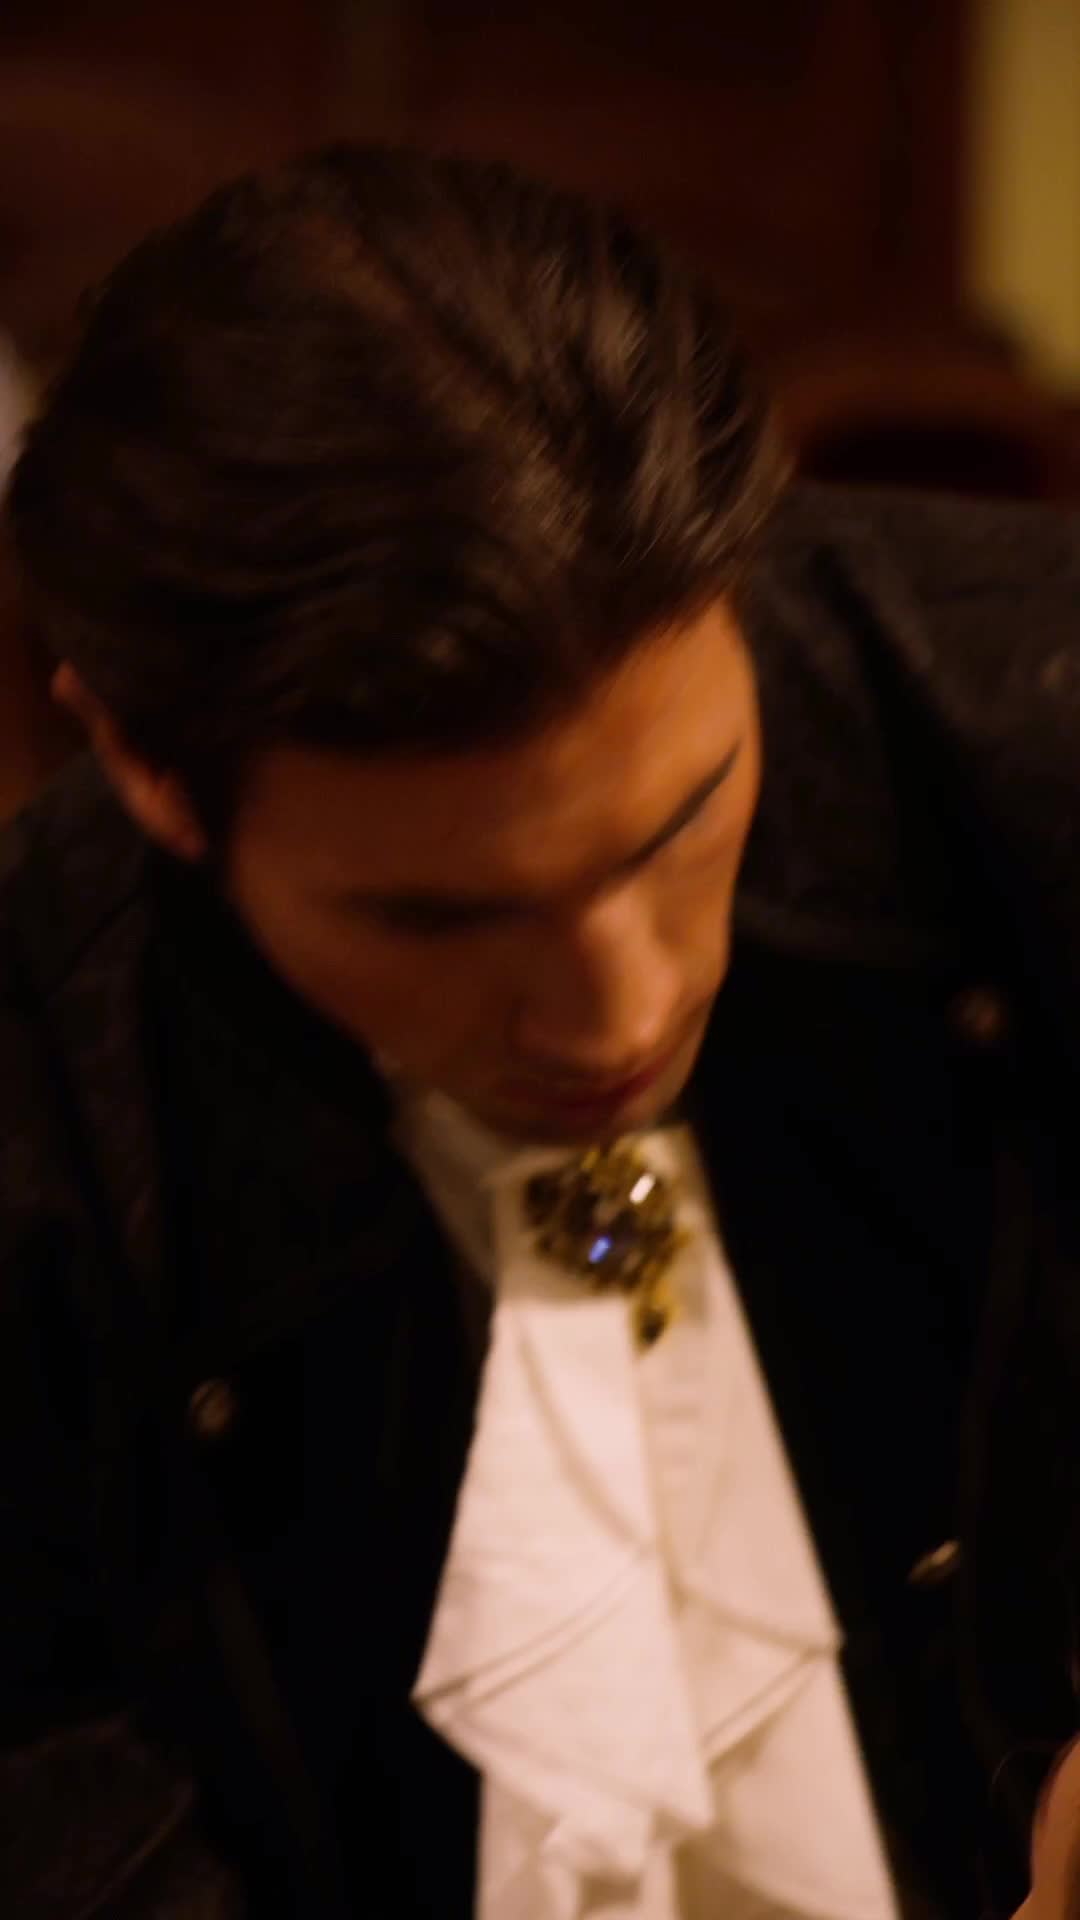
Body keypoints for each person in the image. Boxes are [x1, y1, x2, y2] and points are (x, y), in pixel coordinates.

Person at [3, 143, 1080, 1920]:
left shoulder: (1031, 725)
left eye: (682, 821)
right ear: (142, 764)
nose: (626, 1008)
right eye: (441, 915)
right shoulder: (51, 1086)